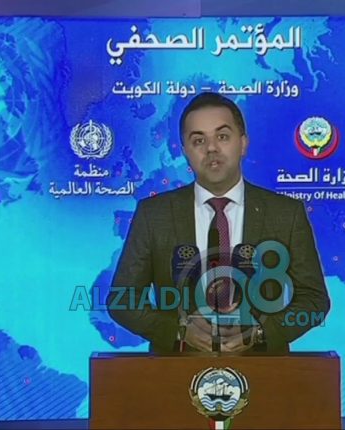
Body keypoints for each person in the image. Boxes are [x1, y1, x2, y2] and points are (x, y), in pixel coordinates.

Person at [108, 92, 330, 354]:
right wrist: (179, 330)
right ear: (185, 151)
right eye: (198, 140)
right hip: (175, 368)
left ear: (243, 143)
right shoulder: (153, 214)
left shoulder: (285, 214)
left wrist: (261, 332)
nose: (211, 148)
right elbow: (122, 300)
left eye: (222, 136)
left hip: (264, 368)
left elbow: (314, 300)